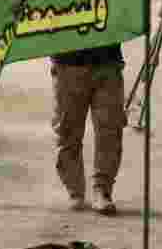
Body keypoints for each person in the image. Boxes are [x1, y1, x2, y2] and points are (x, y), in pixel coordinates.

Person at [50, 42, 128, 215]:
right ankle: (75, 189)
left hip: (107, 59)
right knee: (68, 130)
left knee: (110, 129)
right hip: (67, 60)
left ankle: (102, 189)